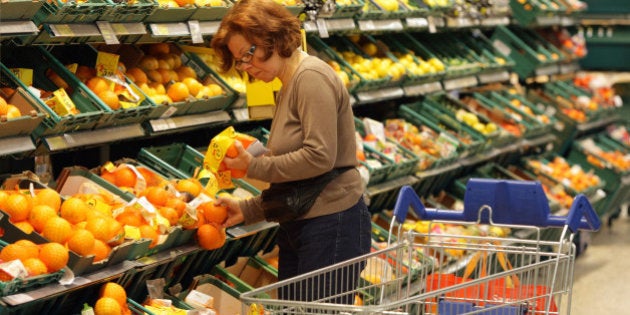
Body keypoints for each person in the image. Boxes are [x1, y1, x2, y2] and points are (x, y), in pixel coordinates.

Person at [210, 0, 371, 304]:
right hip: (305, 222)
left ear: (271, 38)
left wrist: (252, 167)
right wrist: (249, 209)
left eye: (247, 55)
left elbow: (318, 157)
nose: (245, 67)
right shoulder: (289, 82)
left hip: (331, 225)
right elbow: (297, 176)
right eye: (239, 61)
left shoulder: (310, 78)